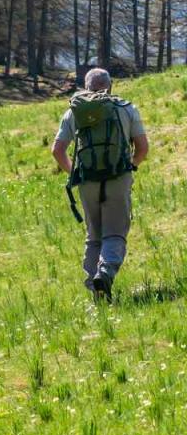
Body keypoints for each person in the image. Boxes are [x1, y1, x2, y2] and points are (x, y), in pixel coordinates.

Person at [52, 68, 149, 301]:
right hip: (118, 177)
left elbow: (57, 151)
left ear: (86, 87)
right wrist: (131, 166)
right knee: (115, 232)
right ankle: (104, 273)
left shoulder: (74, 112)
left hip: (87, 182)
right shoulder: (126, 108)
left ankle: (95, 288)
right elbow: (142, 148)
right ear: (111, 86)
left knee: (94, 235)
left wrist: (75, 172)